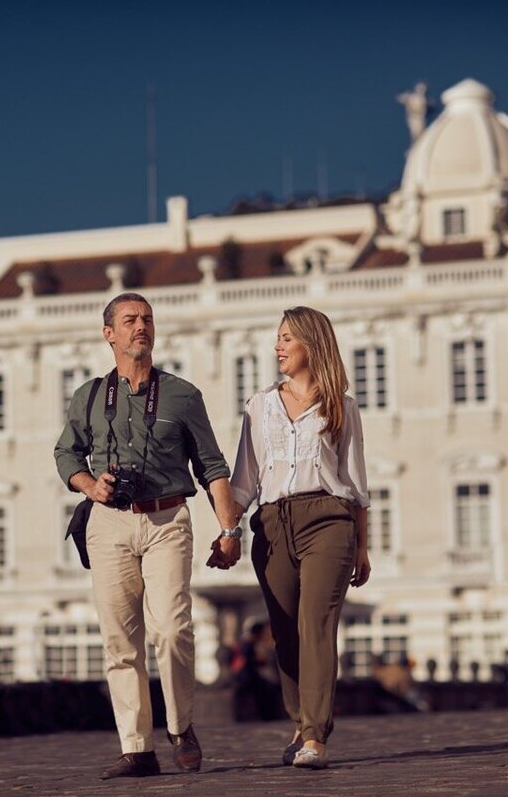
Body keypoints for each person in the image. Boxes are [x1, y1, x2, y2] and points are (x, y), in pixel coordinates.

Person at [54, 292, 241, 780]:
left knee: (172, 628)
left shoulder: (183, 395)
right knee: (120, 641)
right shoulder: (88, 396)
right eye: (130, 320)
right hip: (108, 521)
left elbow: (212, 466)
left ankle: (181, 727)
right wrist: (90, 484)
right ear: (109, 334)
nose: (141, 326)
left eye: (147, 319)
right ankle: (137, 748)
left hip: (167, 519)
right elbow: (66, 454)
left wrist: (229, 529)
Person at [210, 305, 371, 770]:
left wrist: (362, 547)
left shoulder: (342, 407)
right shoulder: (259, 407)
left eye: (286, 338)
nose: (277, 347)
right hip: (273, 524)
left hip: (329, 520)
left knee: (316, 625)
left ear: (311, 344)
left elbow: (356, 483)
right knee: (284, 633)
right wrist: (228, 532)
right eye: (277, 338)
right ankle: (301, 721)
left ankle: (316, 735)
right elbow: (244, 480)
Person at [233, 620, 282, 721]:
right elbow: (252, 661)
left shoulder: (248, 643)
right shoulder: (249, 644)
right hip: (249, 678)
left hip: (249, 677)